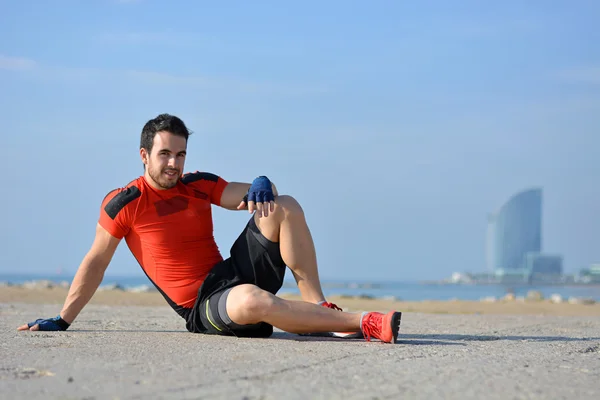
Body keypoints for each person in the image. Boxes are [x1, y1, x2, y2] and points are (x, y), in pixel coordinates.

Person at [17, 113, 401, 343]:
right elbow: (96, 262)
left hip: (229, 273)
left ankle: (320, 310)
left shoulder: (197, 184)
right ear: (144, 155)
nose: (173, 163)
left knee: (284, 206)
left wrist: (262, 181)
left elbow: (253, 196)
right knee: (252, 300)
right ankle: (361, 323)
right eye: (165, 154)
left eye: (180, 154)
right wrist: (63, 319)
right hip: (202, 306)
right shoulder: (124, 203)